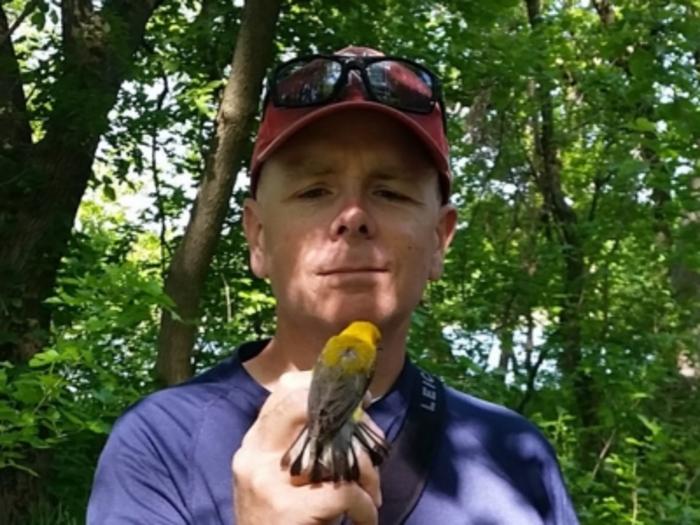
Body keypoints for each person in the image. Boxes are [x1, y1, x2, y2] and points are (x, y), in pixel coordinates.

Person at [87, 46, 579, 524]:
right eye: (314, 191)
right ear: (258, 237)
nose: (353, 216)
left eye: (390, 192)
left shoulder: (516, 459)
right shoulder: (160, 445)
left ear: (438, 241)